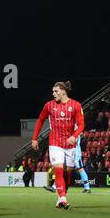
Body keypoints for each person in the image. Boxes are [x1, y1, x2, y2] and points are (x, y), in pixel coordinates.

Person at [31, 81, 86, 209]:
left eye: (56, 91)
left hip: (70, 144)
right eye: (53, 91)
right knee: (59, 171)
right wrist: (34, 138)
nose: (53, 93)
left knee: (68, 174)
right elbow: (40, 120)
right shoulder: (49, 106)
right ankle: (63, 198)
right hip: (55, 143)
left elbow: (82, 124)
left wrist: (74, 136)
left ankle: (61, 197)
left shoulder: (76, 105)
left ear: (63, 91)